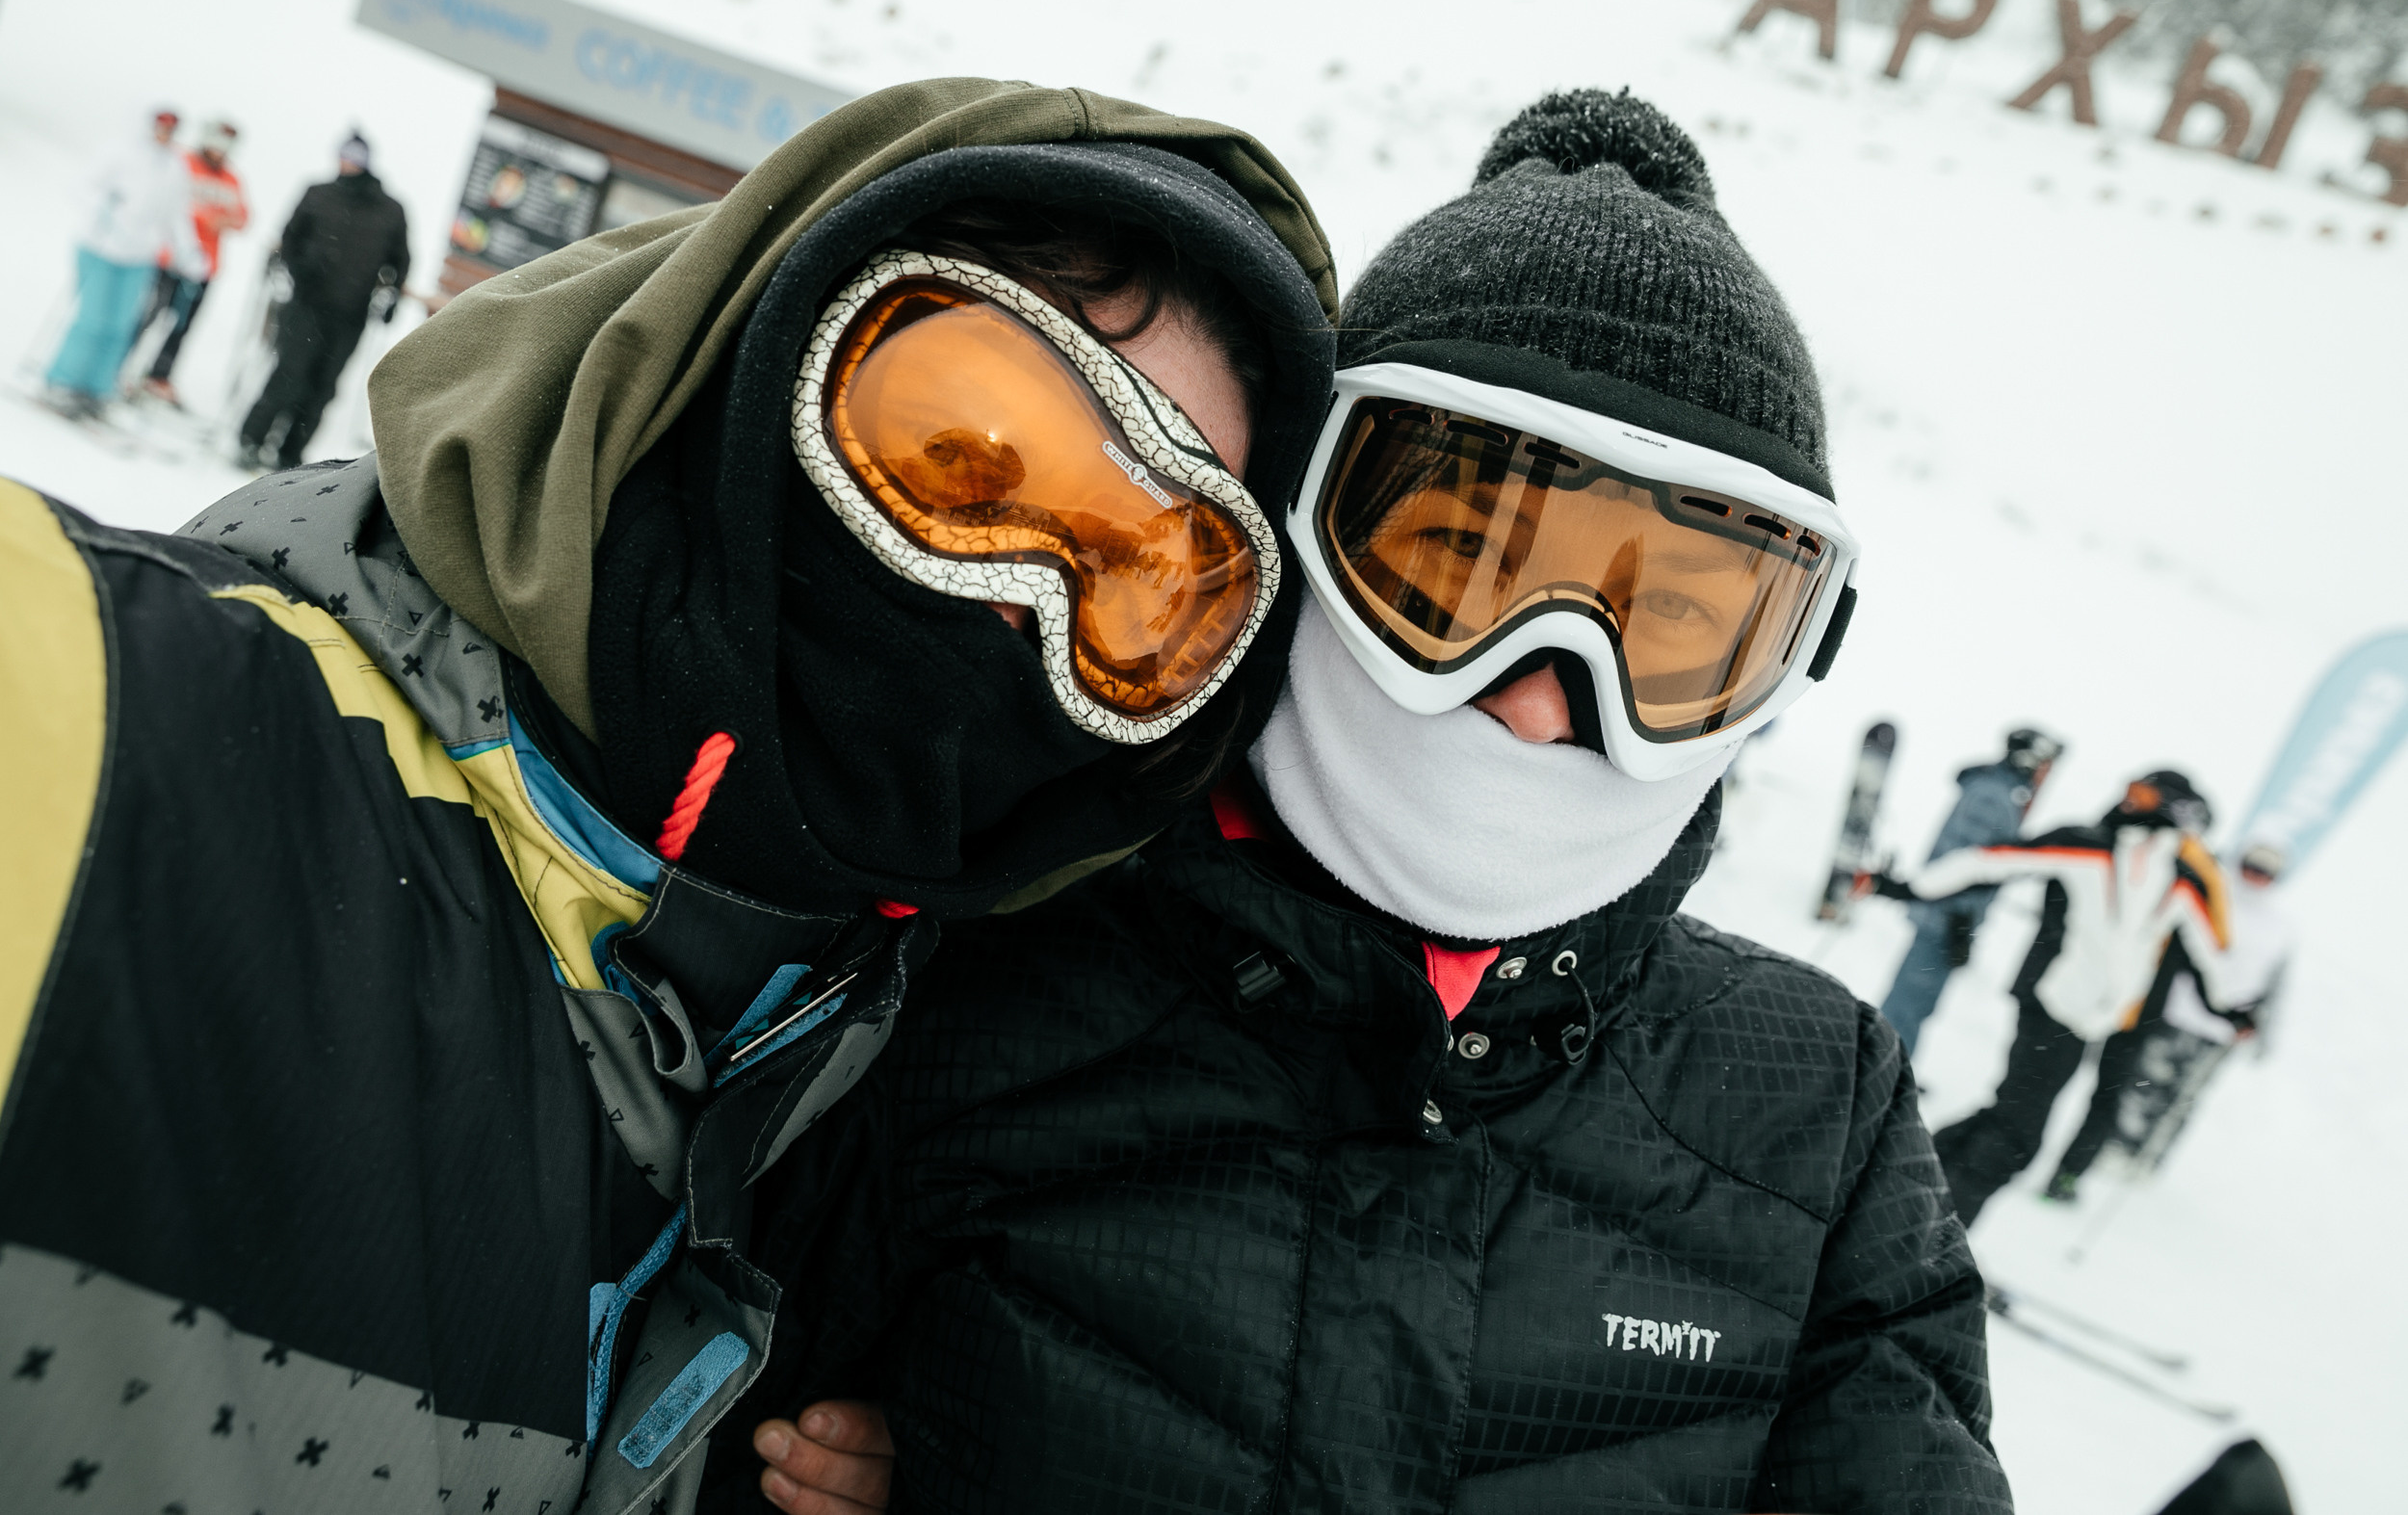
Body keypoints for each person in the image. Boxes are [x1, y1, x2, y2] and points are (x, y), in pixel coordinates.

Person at [0, 78, 1335, 1515]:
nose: (1017, 603)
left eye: (1147, 587)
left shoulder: (915, 1077)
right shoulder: (98, 720)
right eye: (956, 452)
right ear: (755, 350)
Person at [733, 90, 2010, 1514]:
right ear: (1304, 521)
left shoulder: (1809, 1112)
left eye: (1667, 628)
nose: (1539, 692)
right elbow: (697, 1417)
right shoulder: (982, 957)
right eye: (1461, 566)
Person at [1880, 770, 2233, 1225]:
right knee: (2017, 1135)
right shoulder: (2088, 845)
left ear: (2171, 810)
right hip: (2051, 1003)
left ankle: (1905, 1195)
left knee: (2006, 1119)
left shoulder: (2180, 879)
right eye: (2126, 790)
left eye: (2142, 795)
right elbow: (1988, 861)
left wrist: (2230, 1008)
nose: (2127, 802)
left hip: (2095, 1019)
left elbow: (2209, 951)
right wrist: (1909, 887)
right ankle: (1936, 1231)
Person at [2044, 839, 2291, 1198]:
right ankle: (2091, 1150)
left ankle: (2119, 1161)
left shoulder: (2279, 928)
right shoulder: (2203, 891)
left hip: (2205, 1024)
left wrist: (2250, 1025)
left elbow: (2268, 985)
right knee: (2130, 1084)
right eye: (2251, 867)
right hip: (2156, 1008)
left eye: (2266, 873)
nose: (2256, 877)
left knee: (2170, 1097)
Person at [1879, 726, 2063, 1057]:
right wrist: (1960, 922)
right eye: (2046, 764)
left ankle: (1890, 1071)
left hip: (1949, 917)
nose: (2047, 774)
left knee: (1918, 1001)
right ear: (2029, 760)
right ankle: (1883, 1072)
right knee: (1911, 1000)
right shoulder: (1994, 796)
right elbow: (1963, 861)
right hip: (1945, 919)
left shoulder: (2005, 794)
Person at [236, 130, 410, 469]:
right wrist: (299, 269)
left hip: (351, 313)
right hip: (307, 304)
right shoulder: (318, 193)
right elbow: (290, 238)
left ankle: (290, 453)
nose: (347, 163)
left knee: (323, 386)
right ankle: (251, 439)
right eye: (344, 155)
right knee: (289, 374)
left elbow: (400, 260)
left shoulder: (389, 210)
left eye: (354, 157)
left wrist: (392, 298)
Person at [42, 107, 202, 418]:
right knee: (93, 320)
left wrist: (189, 251)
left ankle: (97, 388)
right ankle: (64, 381)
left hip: (139, 256)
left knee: (120, 326)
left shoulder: (174, 165)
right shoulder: (121, 151)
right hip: (101, 247)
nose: (165, 132)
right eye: (161, 124)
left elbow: (177, 215)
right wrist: (102, 208)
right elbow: (82, 186)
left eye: (172, 127)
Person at [134, 115, 249, 404]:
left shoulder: (230, 178)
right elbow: (172, 202)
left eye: (228, 143)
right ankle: (118, 363)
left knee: (182, 325)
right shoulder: (184, 163)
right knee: (147, 314)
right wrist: (206, 217)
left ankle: (159, 376)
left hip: (204, 267)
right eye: (217, 140)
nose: (220, 148)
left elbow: (243, 216)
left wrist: (226, 220)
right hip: (168, 258)